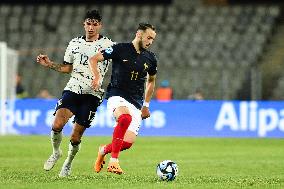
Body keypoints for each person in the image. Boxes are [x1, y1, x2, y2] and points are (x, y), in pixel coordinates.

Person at [36, 10, 114, 177]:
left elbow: (120, 61)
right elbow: (67, 68)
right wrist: (50, 64)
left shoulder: (108, 45)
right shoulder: (74, 43)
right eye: (88, 23)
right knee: (57, 125)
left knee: (76, 135)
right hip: (73, 88)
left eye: (95, 24)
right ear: (83, 24)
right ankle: (56, 152)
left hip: (93, 94)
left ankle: (68, 162)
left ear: (100, 25)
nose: (91, 27)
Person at [89, 23, 157, 174]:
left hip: (137, 102)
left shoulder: (151, 58)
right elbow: (93, 59)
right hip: (117, 95)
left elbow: (151, 80)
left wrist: (146, 104)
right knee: (125, 118)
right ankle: (114, 162)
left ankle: (103, 150)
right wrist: (97, 76)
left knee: (127, 143)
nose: (150, 42)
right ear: (139, 34)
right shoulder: (119, 48)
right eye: (148, 37)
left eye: (153, 39)